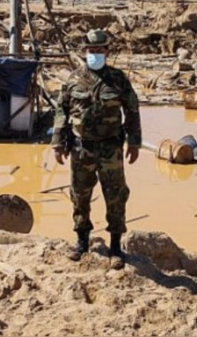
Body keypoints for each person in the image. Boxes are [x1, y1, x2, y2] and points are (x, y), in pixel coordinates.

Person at [51, 29, 142, 269]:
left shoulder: (118, 79)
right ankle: (82, 241)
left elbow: (132, 109)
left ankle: (115, 246)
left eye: (99, 50)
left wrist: (134, 142)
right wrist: (57, 142)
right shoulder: (73, 79)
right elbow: (62, 111)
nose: (95, 54)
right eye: (91, 51)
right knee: (80, 195)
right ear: (85, 52)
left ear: (107, 52)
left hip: (111, 148)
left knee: (116, 196)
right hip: (81, 149)